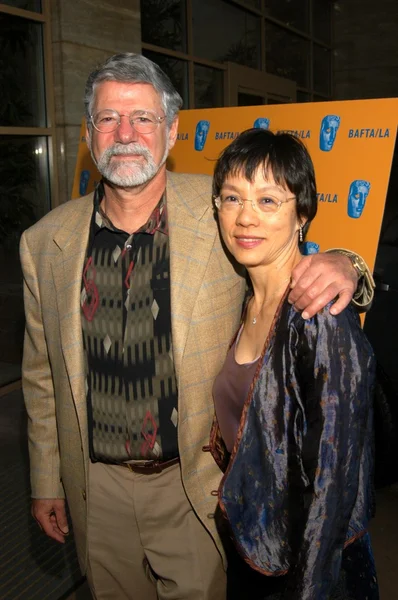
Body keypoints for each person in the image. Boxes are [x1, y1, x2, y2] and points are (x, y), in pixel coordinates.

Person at [20, 53, 374, 600]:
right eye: (108, 118)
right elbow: (42, 378)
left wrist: (347, 262)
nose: (126, 134)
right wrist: (47, 481)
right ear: (89, 132)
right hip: (96, 486)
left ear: (172, 129)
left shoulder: (219, 213)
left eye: (143, 118)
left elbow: (282, 240)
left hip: (196, 488)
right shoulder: (44, 241)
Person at [209, 128, 379, 600]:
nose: (245, 218)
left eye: (268, 201)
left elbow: (332, 487)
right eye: (232, 198)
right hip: (255, 546)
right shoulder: (246, 298)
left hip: (310, 569)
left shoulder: (318, 318)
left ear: (301, 213)